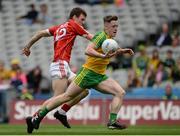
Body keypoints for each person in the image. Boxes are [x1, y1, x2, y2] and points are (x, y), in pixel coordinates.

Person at [25, 15, 134, 133]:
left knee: (120, 92)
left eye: (117, 26)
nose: (116, 28)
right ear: (106, 26)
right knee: (66, 97)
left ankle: (112, 122)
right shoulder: (100, 36)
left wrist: (121, 51)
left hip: (99, 76)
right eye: (113, 26)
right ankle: (38, 116)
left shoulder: (109, 40)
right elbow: (88, 50)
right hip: (87, 74)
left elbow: (108, 51)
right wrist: (102, 56)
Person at [22, 7, 93, 132]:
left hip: (64, 66)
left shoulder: (59, 27)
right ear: (75, 17)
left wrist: (28, 46)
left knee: (85, 90)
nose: (82, 22)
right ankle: (34, 118)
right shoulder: (73, 25)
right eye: (82, 19)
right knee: (58, 97)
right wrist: (107, 41)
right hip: (60, 64)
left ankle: (61, 112)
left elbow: (40, 33)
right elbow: (92, 38)